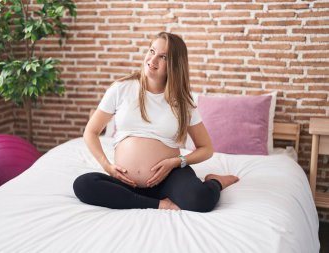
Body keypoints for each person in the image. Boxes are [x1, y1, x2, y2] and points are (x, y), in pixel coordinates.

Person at [73, 32, 239, 212]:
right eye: (152, 51)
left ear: (175, 65)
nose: (153, 59)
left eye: (163, 57)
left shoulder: (182, 102)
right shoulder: (121, 89)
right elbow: (91, 132)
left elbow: (206, 148)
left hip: (169, 177)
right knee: (83, 185)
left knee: (201, 200)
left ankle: (216, 181)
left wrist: (176, 162)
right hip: (126, 181)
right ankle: (158, 203)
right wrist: (108, 166)